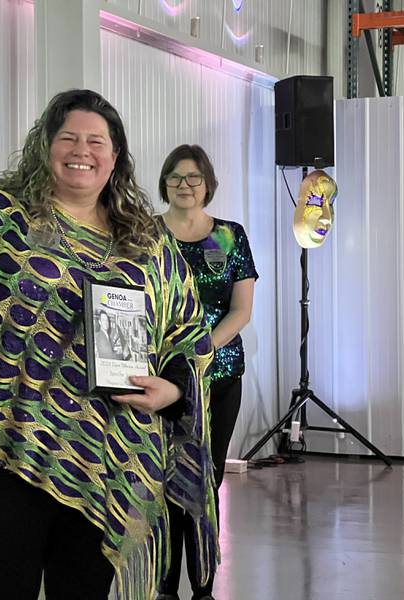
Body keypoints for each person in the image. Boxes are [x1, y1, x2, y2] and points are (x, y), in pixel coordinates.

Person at [0, 89, 218, 600]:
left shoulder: (146, 242)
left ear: (115, 157)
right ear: (44, 147)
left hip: (107, 453)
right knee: (1, 589)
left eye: (96, 141)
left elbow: (189, 333)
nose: (81, 150)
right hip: (0, 446)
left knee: (82, 590)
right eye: (68, 137)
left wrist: (172, 391)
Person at [157, 144, 258, 600]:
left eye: (193, 178)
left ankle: (202, 587)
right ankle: (163, 587)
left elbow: (240, 310)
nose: (185, 185)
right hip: (158, 380)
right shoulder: (147, 235)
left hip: (217, 376)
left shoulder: (225, 237)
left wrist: (201, 348)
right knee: (160, 479)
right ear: (165, 183)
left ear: (207, 184)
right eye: (176, 177)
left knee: (204, 479)